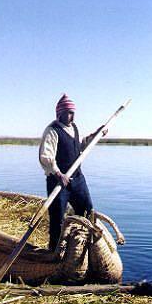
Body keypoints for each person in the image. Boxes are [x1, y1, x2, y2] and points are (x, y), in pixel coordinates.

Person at [39, 94, 107, 251]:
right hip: (58, 181)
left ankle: (82, 247)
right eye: (69, 112)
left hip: (77, 179)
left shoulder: (75, 128)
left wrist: (97, 133)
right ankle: (54, 252)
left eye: (73, 112)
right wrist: (58, 174)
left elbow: (81, 145)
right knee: (57, 219)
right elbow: (46, 156)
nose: (72, 116)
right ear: (60, 113)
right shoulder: (52, 131)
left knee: (86, 210)